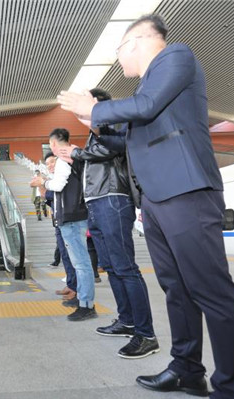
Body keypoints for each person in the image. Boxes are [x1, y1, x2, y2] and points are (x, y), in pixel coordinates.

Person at [57, 14, 234, 398]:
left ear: (137, 41)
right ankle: (186, 369)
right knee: (176, 289)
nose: (119, 60)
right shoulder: (149, 89)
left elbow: (145, 107)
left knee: (211, 291)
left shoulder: (176, 56)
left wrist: (95, 109)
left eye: (119, 51)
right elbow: (127, 142)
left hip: (187, 192)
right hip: (158, 200)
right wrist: (96, 128)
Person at [59, 87, 158, 360]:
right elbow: (94, 162)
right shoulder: (95, 133)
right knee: (113, 267)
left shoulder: (114, 122)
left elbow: (115, 147)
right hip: (97, 202)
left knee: (125, 267)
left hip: (113, 199)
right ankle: (126, 321)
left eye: (85, 104)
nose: (80, 109)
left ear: (98, 105)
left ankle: (145, 333)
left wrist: (79, 152)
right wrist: (77, 157)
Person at [31, 129, 95, 321]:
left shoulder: (63, 159)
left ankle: (86, 305)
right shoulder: (73, 157)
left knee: (82, 264)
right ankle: (83, 300)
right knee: (80, 263)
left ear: (53, 144)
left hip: (72, 217)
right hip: (74, 215)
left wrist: (43, 181)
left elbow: (58, 185)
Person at [43, 153, 77, 303]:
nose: (49, 166)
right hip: (59, 221)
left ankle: (76, 289)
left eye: (51, 162)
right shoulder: (54, 180)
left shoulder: (65, 178)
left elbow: (55, 194)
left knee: (73, 256)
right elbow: (50, 199)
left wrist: (42, 184)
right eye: (47, 164)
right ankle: (71, 284)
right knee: (64, 254)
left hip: (69, 220)